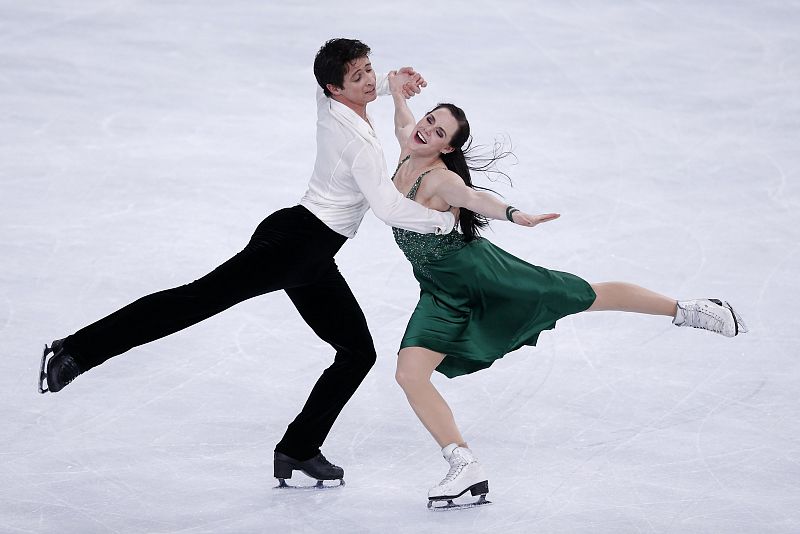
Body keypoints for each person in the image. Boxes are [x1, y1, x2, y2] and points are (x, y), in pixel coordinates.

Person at [38, 38, 455, 488]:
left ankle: (298, 448)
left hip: (308, 250)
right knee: (193, 301)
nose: (369, 79)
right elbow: (389, 208)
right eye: (358, 77)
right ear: (335, 89)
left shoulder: (331, 103)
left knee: (357, 353)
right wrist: (443, 221)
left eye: (370, 69)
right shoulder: (359, 145)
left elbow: (351, 86)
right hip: (293, 248)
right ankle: (75, 351)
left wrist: (393, 85)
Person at [384, 73, 748, 508]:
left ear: (447, 148)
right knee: (409, 374)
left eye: (439, 131)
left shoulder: (441, 181)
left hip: (483, 275)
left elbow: (475, 197)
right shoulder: (410, 143)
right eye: (429, 120)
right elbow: (404, 120)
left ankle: (689, 309)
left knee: (583, 295)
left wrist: (515, 214)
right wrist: (393, 85)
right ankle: (464, 466)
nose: (426, 128)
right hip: (439, 290)